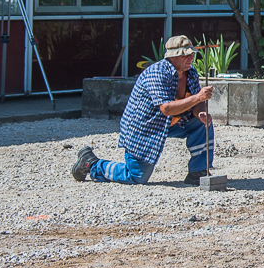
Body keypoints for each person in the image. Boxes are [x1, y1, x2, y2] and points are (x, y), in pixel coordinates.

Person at [72, 36, 216, 186]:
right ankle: (91, 164)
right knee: (136, 176)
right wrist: (198, 97)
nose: (190, 58)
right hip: (144, 128)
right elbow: (166, 109)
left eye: (191, 54)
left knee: (202, 123)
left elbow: (197, 102)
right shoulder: (157, 73)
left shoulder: (191, 72)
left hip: (171, 123)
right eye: (185, 55)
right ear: (172, 57)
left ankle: (198, 172)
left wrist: (200, 113)